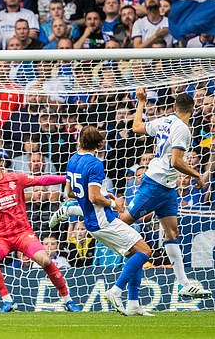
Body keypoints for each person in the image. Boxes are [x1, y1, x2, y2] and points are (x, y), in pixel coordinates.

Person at [116, 88, 211, 298]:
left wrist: (141, 101)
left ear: (174, 107)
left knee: (172, 233)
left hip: (167, 187)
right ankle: (95, 224)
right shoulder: (183, 129)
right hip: (155, 183)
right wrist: (197, 175)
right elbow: (176, 162)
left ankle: (185, 284)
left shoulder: (165, 121)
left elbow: (137, 126)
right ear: (193, 109)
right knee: (123, 222)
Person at [0, 151, 81, 312]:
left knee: (45, 260)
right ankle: (7, 301)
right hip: (0, 237)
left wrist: (67, 178)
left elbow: (42, 180)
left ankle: (67, 300)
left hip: (22, 233)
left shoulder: (15, 179)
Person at [63, 125, 153, 316]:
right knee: (145, 251)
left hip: (92, 222)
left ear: (80, 140)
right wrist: (114, 203)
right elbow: (94, 197)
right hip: (103, 220)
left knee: (134, 255)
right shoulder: (95, 164)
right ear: (99, 144)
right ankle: (116, 290)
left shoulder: (72, 160)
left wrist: (103, 195)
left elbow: (69, 192)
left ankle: (134, 303)